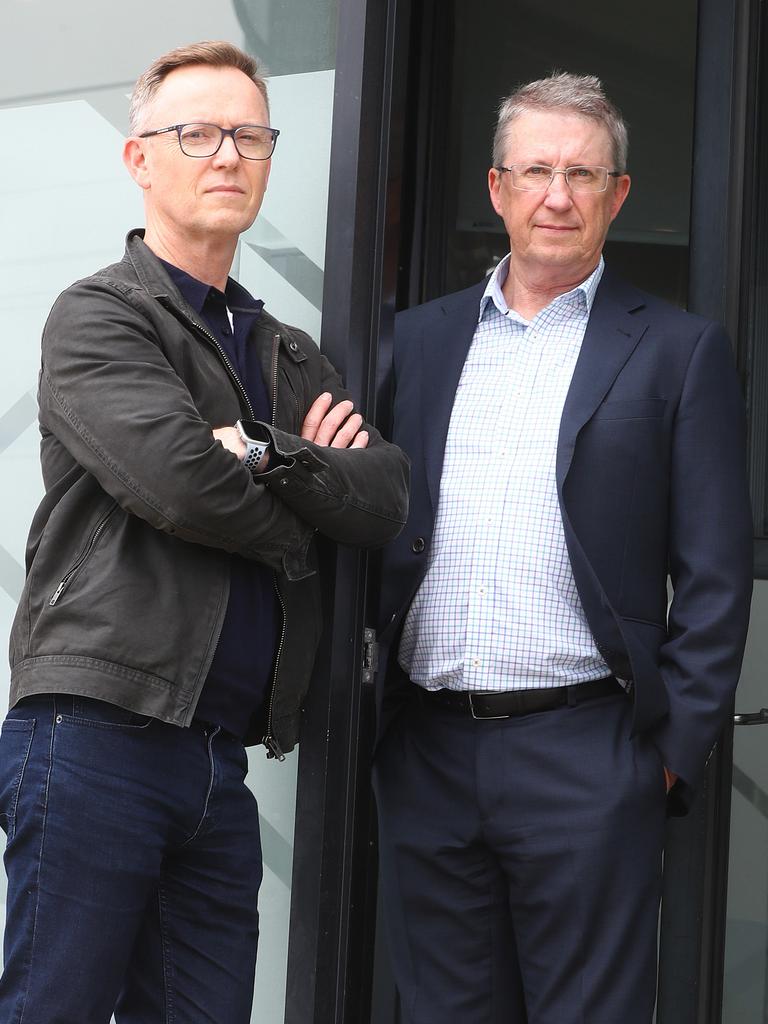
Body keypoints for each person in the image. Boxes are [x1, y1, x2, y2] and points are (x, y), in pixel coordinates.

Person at [0, 40, 408, 1024]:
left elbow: (383, 494)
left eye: (249, 135)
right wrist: (306, 495)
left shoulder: (284, 347)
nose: (227, 154)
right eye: (197, 133)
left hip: (215, 759)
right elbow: (181, 484)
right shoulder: (101, 315)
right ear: (140, 158)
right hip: (94, 731)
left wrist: (262, 451)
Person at [375, 72, 752, 1024]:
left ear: (618, 195)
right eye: (536, 169)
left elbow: (714, 571)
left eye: (583, 174)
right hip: (427, 750)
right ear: (497, 187)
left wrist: (668, 751)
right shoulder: (414, 342)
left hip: (589, 754)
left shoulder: (676, 349)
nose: (558, 194)